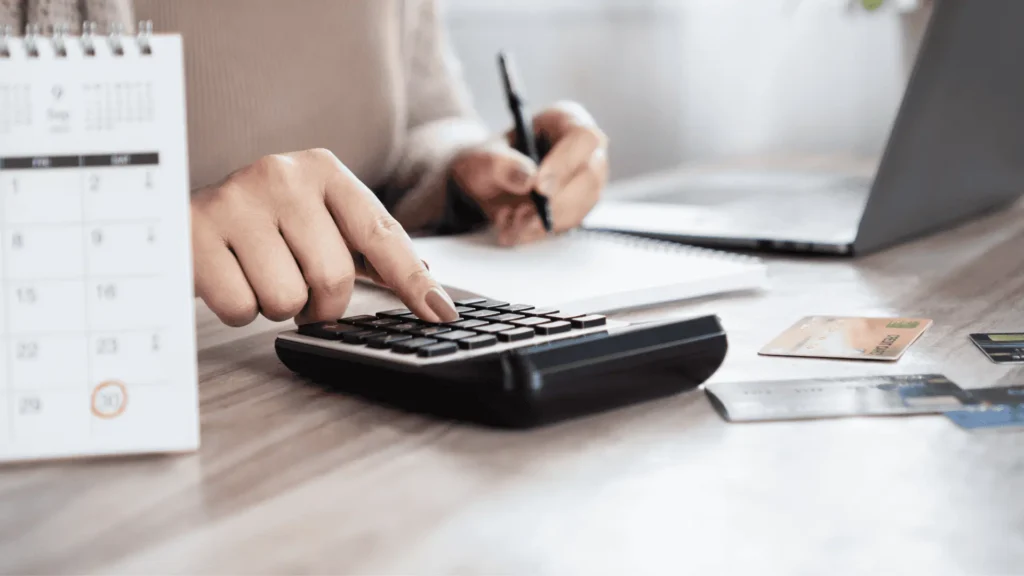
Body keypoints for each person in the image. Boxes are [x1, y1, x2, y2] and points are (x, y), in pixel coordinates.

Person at [2, 0, 609, 326]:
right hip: (165, 378)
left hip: (336, 359)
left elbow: (424, 115)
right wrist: (144, 235)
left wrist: (466, 166)